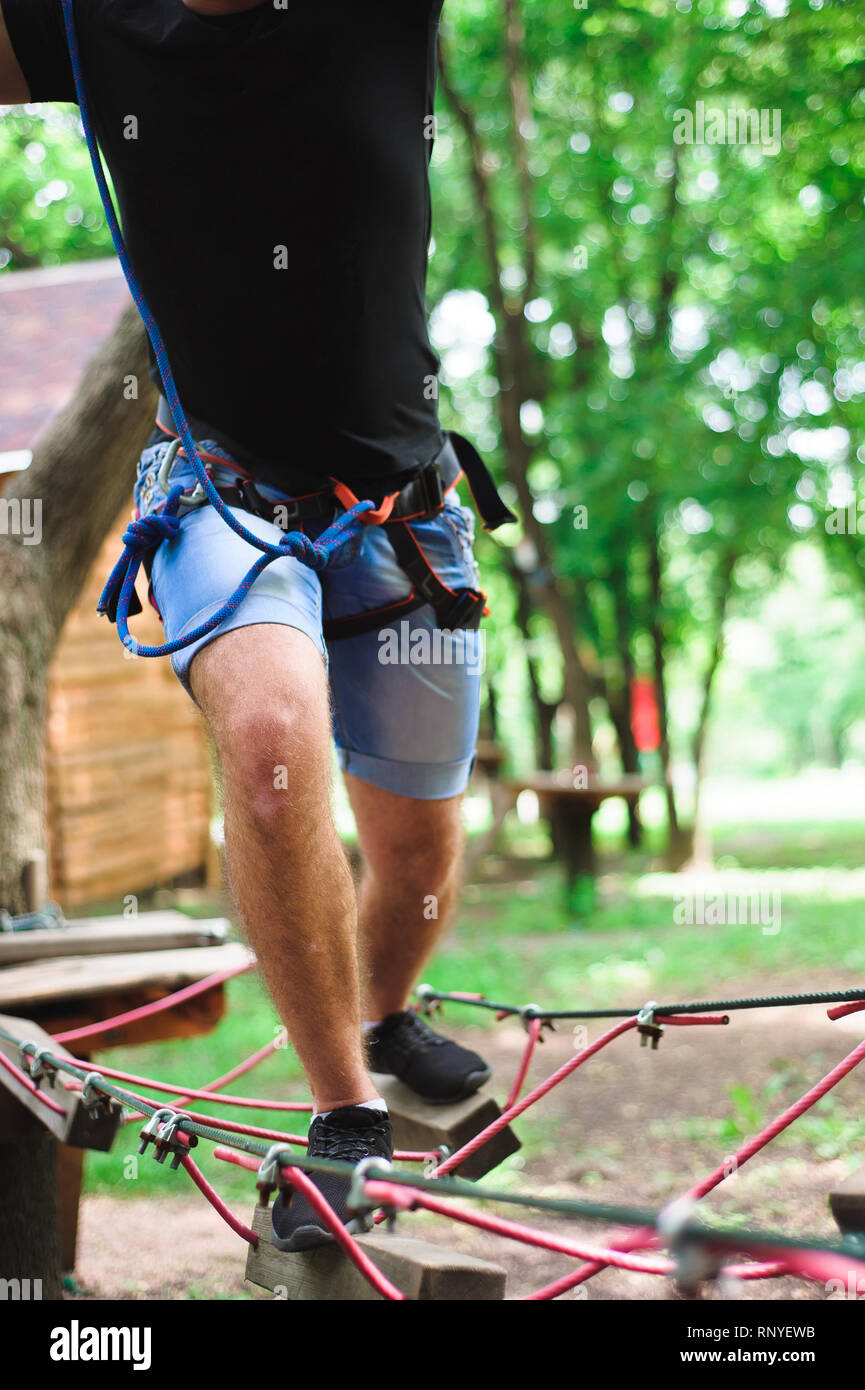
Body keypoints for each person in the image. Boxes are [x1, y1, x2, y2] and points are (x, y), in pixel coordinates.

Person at [0, 0, 510, 1249]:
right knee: (278, 751)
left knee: (417, 856)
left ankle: (385, 1016)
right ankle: (345, 1110)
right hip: (217, 489)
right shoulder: (80, 21)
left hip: (402, 503)